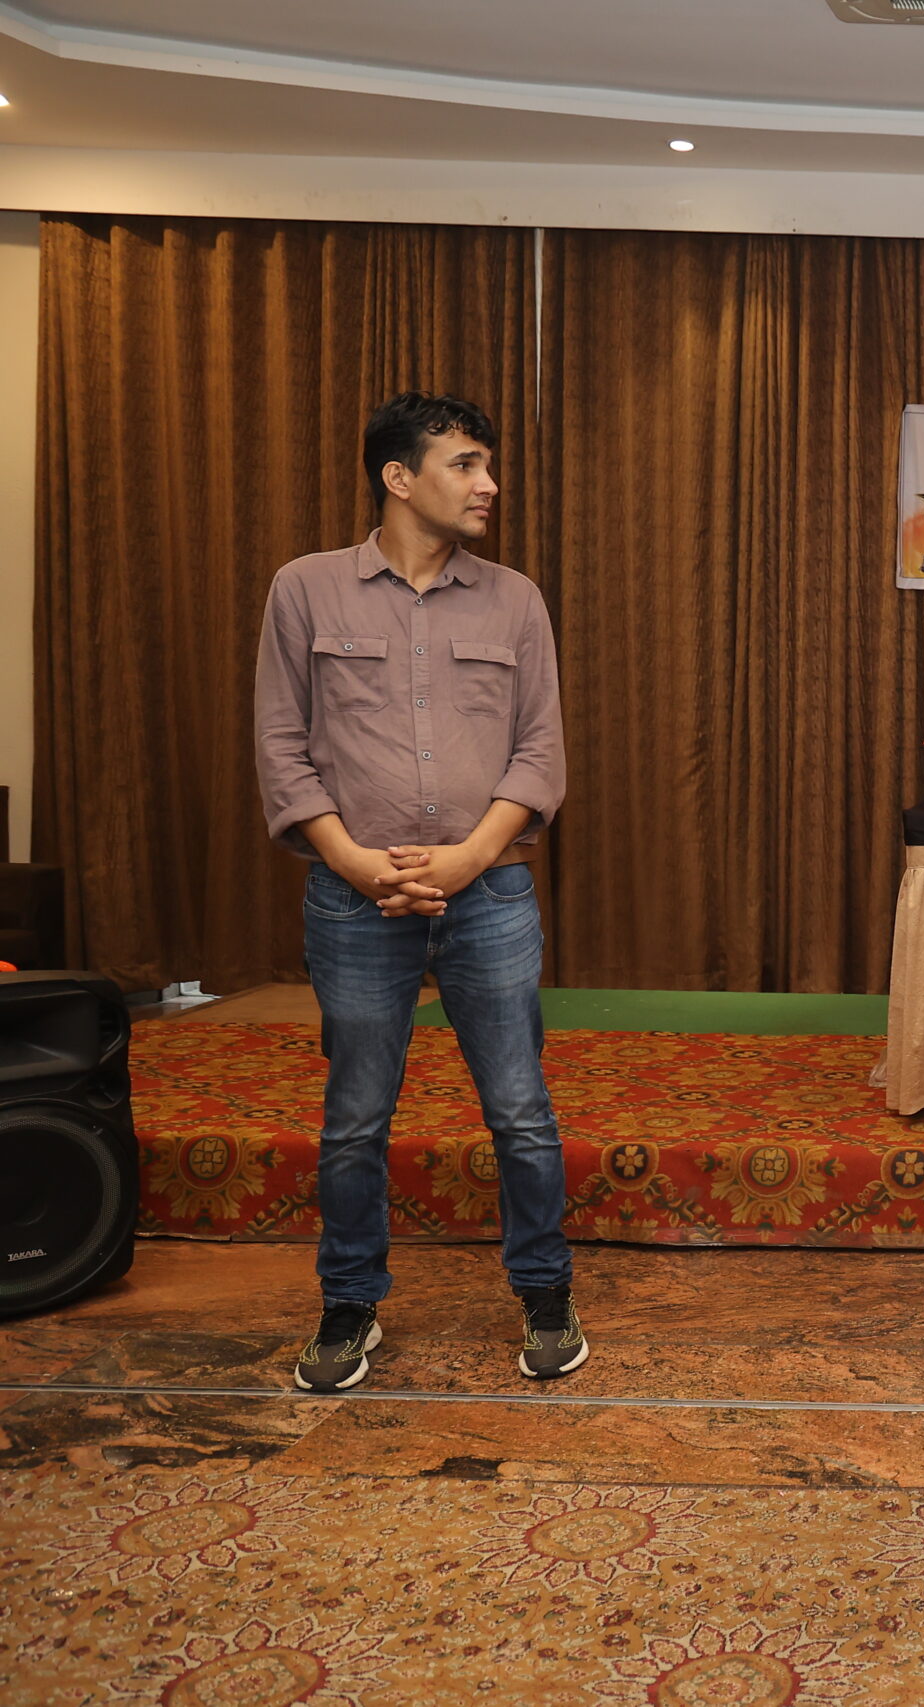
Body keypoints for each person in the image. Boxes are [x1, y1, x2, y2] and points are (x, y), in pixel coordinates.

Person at [253, 392, 581, 1393]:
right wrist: (353, 861)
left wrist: (468, 858)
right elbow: (281, 745)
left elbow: (540, 751)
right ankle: (349, 1304)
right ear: (399, 477)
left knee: (520, 1109)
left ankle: (547, 1294)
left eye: (488, 465)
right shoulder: (306, 589)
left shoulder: (515, 600)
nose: (490, 485)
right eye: (466, 465)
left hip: (491, 894)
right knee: (355, 1115)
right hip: (353, 899)